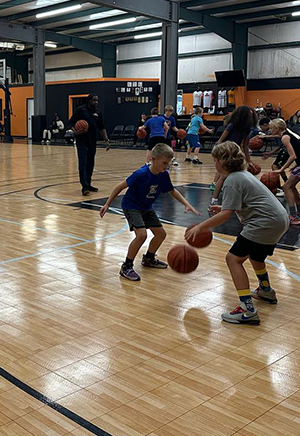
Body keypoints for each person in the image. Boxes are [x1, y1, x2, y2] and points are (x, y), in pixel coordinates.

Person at [186, 142, 289, 324]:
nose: (214, 163)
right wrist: (224, 207)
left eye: (215, 159)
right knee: (256, 257)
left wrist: (200, 226)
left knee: (233, 259)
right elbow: (240, 204)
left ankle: (247, 310)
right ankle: (266, 291)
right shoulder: (243, 175)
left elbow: (226, 215)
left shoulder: (232, 180)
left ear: (222, 162)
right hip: (279, 219)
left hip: (264, 222)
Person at [100, 143, 199, 281]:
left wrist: (186, 203)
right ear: (153, 159)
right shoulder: (141, 174)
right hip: (131, 205)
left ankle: (148, 258)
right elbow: (120, 186)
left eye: (168, 163)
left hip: (146, 207)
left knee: (161, 234)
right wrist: (107, 204)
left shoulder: (163, 174)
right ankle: (126, 266)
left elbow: (171, 190)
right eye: (164, 162)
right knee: (141, 235)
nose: (167, 166)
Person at [210, 105, 257, 205]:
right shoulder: (232, 124)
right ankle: (214, 199)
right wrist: (217, 150)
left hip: (235, 150)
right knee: (223, 175)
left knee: (240, 172)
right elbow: (221, 139)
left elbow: (245, 145)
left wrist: (248, 160)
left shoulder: (247, 128)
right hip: (225, 149)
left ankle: (240, 194)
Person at [69, 95, 110, 196]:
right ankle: (84, 186)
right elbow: (70, 122)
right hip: (81, 141)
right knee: (83, 163)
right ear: (89, 100)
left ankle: (88, 183)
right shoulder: (80, 110)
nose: (96, 102)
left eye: (97, 100)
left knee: (90, 163)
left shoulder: (98, 112)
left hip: (92, 141)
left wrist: (106, 139)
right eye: (94, 100)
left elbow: (102, 127)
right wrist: (75, 131)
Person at [268, 118, 300, 225]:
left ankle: (293, 216)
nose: (270, 130)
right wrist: (295, 165)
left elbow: (292, 156)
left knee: (286, 187)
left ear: (276, 128)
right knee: (291, 186)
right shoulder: (289, 134)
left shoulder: (285, 138)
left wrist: (282, 169)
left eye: (271, 128)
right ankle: (298, 212)